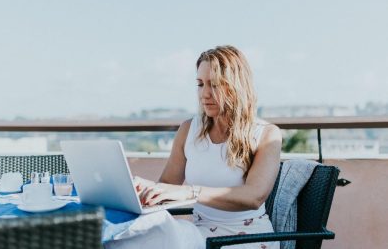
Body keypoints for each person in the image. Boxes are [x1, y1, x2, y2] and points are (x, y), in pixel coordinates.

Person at [111, 45, 282, 249]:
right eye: (200, 84)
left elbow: (254, 196)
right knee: (126, 241)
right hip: (200, 235)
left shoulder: (266, 134)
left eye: (215, 85)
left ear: (236, 86)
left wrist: (190, 193)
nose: (205, 94)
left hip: (247, 240)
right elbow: (167, 184)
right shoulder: (189, 129)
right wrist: (144, 189)